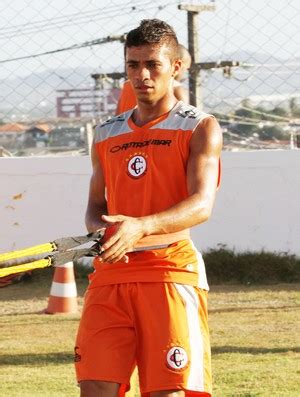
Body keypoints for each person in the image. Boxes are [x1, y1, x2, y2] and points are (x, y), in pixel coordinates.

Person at [75, 18, 222, 397]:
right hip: (111, 275)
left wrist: (141, 226)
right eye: (132, 65)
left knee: (166, 391)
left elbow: (202, 205)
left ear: (175, 67)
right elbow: (95, 206)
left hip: (169, 269)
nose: (141, 75)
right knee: (94, 388)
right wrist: (102, 231)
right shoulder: (106, 132)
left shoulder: (200, 127)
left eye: (152, 64)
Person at [115, 44, 191, 114]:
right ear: (176, 66)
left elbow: (117, 116)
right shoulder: (176, 88)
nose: (185, 73)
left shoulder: (129, 84)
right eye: (186, 68)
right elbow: (187, 120)